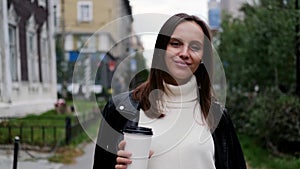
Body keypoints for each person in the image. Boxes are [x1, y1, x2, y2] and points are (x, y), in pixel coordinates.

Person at [93, 13, 247, 169]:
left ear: (203, 58)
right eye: (175, 44)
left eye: (195, 47)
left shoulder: (217, 116)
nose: (184, 53)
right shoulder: (120, 109)